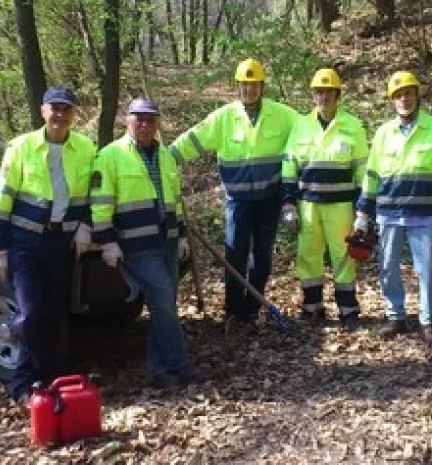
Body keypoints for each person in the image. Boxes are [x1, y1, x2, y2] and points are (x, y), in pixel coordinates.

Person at [0, 86, 96, 403]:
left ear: (73, 114)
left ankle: (46, 381)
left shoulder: (85, 148)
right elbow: (1, 199)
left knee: (54, 314)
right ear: (43, 111)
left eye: (66, 110)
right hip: (25, 244)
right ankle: (27, 381)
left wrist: (85, 227)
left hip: (62, 243)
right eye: (55, 109)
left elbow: (92, 194)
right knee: (30, 313)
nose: (60, 115)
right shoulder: (20, 147)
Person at [170, 58, 298, 326]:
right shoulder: (224, 118)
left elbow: (306, 138)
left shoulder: (284, 115)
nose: (249, 90)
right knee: (234, 255)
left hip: (268, 200)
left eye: (254, 85)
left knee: (262, 257)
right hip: (237, 202)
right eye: (244, 85)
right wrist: (163, 158)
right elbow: (192, 140)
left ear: (262, 86)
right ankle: (232, 308)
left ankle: (251, 309)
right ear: (237, 86)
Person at [91, 98, 201, 389]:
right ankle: (178, 363)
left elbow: (174, 200)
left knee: (164, 304)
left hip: (165, 241)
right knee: (164, 299)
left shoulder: (164, 155)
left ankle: (159, 369)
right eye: (138, 118)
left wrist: (180, 237)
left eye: (150, 119)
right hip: (135, 244)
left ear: (157, 123)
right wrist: (107, 242)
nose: (144, 124)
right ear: (127, 121)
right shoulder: (110, 156)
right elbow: (100, 205)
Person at [354, 71, 432, 346]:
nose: (404, 99)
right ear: (392, 100)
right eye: (398, 95)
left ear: (417, 96)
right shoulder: (383, 133)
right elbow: (372, 175)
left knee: (428, 270)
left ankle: (429, 321)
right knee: (388, 267)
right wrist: (363, 214)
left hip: (426, 214)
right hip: (389, 213)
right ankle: (396, 316)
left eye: (408, 93)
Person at [281, 68, 368, 330]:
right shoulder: (301, 125)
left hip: (341, 206)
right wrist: (287, 203)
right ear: (312, 94)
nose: (323, 96)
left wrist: (363, 209)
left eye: (328, 91)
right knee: (308, 255)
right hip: (308, 204)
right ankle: (312, 307)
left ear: (337, 94)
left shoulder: (352, 126)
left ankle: (348, 310)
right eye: (319, 91)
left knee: (344, 255)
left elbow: (363, 170)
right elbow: (289, 166)